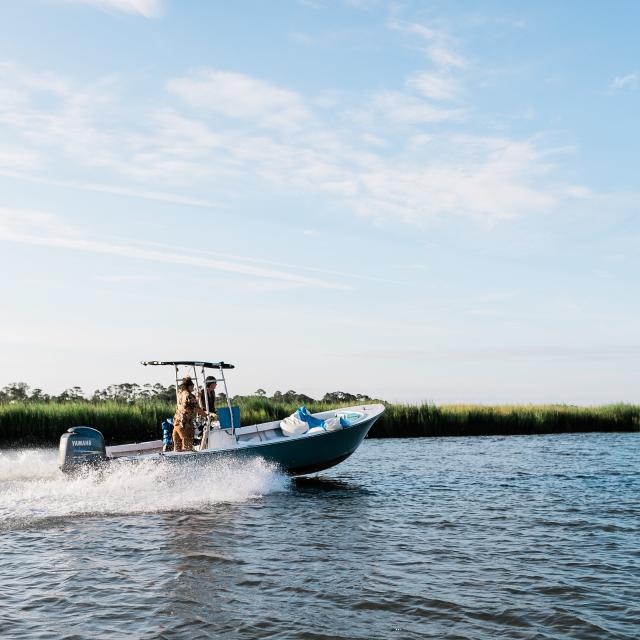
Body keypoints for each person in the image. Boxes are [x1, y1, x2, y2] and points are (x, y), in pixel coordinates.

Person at [173, 376, 207, 452]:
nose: (193, 389)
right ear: (189, 386)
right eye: (192, 387)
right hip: (185, 424)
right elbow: (198, 409)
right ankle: (189, 461)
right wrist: (207, 416)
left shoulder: (180, 393)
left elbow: (185, 405)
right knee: (187, 447)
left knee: (177, 448)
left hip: (177, 423)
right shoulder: (189, 396)